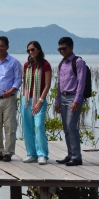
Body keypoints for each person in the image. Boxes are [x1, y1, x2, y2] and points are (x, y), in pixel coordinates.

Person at [55, 37, 87, 166]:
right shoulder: (62, 63)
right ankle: (70, 154)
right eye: (60, 49)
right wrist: (57, 101)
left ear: (71, 47)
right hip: (62, 97)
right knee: (66, 128)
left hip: (73, 97)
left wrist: (77, 100)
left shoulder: (78, 62)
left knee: (71, 126)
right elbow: (59, 83)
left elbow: (81, 82)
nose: (62, 51)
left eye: (64, 48)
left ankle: (77, 157)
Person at [21, 41, 52, 165]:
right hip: (27, 100)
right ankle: (31, 154)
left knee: (39, 126)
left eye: (32, 49)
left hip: (39, 99)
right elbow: (25, 83)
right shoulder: (26, 65)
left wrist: (39, 101)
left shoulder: (45, 65)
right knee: (27, 127)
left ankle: (42, 154)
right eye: (28, 50)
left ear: (38, 50)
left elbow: (48, 85)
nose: (30, 52)